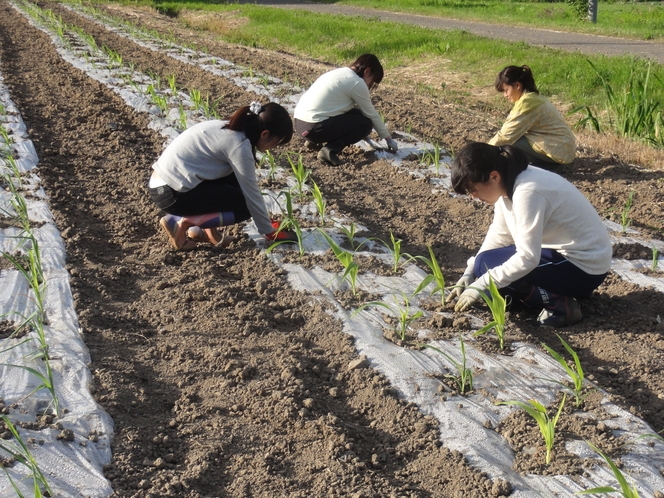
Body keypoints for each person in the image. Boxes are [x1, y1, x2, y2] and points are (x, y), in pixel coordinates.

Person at [445, 142, 611, 327]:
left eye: (473, 189)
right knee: (485, 265)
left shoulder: (528, 191)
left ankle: (558, 304)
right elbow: (500, 236)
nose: (473, 197)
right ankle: (548, 293)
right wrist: (471, 272)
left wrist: (481, 283)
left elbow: (528, 257)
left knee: (490, 270)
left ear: (493, 176)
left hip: (585, 267)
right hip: (566, 260)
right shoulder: (508, 184)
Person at [148, 102, 297, 251]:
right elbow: (251, 194)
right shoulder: (239, 145)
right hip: (171, 193)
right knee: (245, 206)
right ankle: (180, 222)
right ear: (265, 134)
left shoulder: (231, 126)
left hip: (163, 184)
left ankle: (203, 232)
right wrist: (269, 231)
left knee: (232, 182)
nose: (274, 148)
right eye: (276, 143)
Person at [294, 53, 398, 166]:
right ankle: (329, 150)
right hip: (314, 128)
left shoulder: (339, 72)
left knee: (358, 116)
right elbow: (371, 114)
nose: (370, 86)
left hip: (300, 124)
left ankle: (313, 142)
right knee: (366, 124)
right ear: (367, 71)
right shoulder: (357, 82)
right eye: (372, 82)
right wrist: (388, 139)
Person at [489, 65, 576, 171]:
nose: (505, 95)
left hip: (558, 150)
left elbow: (506, 135)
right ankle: (546, 164)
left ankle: (550, 166)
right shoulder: (533, 97)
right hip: (563, 147)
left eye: (506, 90)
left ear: (517, 85)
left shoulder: (526, 103)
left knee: (510, 146)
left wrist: (485, 152)